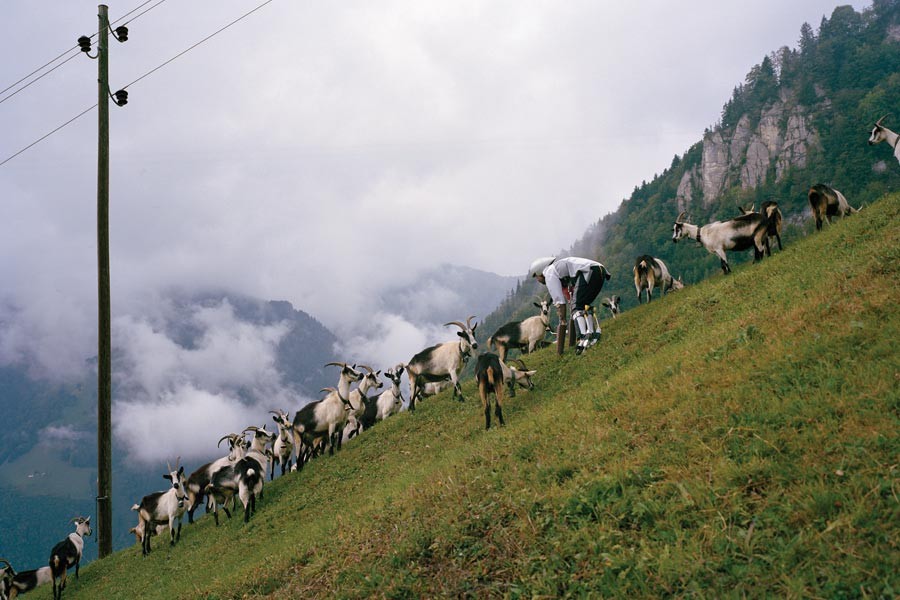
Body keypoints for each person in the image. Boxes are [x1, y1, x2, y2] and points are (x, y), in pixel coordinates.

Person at [529, 256, 611, 355]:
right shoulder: (558, 270)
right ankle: (591, 332)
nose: (537, 280)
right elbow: (569, 294)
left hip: (589, 271)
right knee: (583, 305)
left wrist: (562, 318)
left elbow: (559, 301)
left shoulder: (549, 273)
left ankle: (584, 337)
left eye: (536, 276)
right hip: (599, 270)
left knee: (577, 307)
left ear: (540, 271)